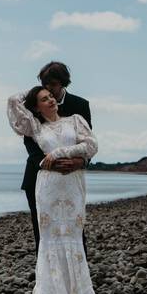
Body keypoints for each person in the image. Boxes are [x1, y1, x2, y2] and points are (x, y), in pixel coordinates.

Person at [7, 84, 103, 294]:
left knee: (73, 236)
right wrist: (35, 90)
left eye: (51, 96)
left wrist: (60, 153)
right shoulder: (36, 128)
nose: (51, 100)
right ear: (36, 107)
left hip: (72, 186)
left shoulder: (75, 120)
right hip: (48, 188)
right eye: (44, 98)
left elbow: (91, 145)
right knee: (50, 239)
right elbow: (13, 101)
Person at [20, 62, 91, 251]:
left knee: (75, 227)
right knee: (42, 230)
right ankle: (47, 277)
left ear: (63, 82)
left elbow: (88, 141)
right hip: (38, 176)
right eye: (45, 83)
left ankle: (76, 275)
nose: (48, 88)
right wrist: (46, 163)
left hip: (70, 178)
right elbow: (29, 142)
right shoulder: (34, 103)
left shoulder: (80, 105)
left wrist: (81, 161)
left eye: (52, 84)